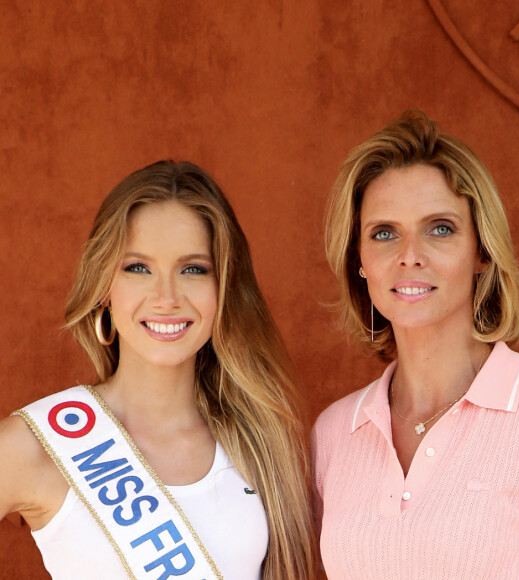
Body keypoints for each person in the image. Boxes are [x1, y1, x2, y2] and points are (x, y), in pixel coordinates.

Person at [0, 161, 316, 580]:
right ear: (104, 289)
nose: (166, 298)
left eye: (193, 269)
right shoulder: (35, 444)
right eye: (138, 268)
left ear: (223, 289)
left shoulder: (258, 441)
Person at [311, 110, 519, 579]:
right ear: (360, 260)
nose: (410, 256)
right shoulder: (335, 433)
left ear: (481, 251)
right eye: (384, 233)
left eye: (440, 228)